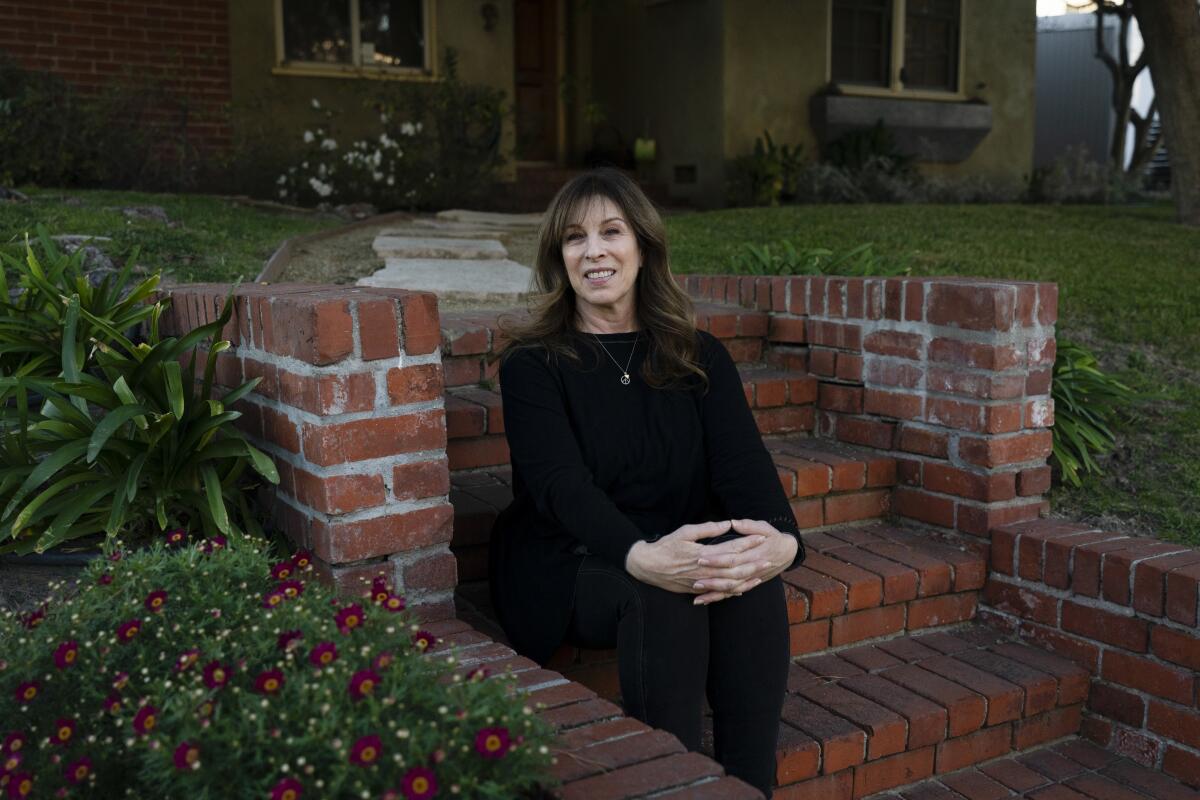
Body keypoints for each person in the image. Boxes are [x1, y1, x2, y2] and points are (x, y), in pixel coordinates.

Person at [489, 168, 805, 796]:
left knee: (746, 580)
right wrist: (642, 555)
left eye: (611, 232)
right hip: (570, 559)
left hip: (672, 543)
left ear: (643, 246)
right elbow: (559, 488)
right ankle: (672, 783)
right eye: (575, 239)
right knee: (668, 592)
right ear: (560, 258)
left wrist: (781, 546)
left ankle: (750, 786)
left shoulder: (697, 356)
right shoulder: (535, 363)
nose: (594, 251)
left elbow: (746, 472)